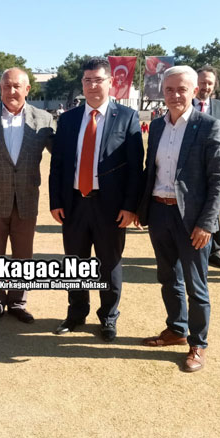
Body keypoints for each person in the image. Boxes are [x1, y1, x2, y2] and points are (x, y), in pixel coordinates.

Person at [138, 66, 220, 372]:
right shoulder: (158, 126)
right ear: (162, 92)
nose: (175, 95)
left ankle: (198, 343)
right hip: (159, 212)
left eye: (182, 89)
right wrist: (142, 208)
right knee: (168, 277)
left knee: (196, 284)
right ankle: (176, 329)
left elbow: (218, 180)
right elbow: (150, 169)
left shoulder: (209, 126)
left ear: (195, 91)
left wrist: (207, 223)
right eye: (169, 89)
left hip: (192, 219)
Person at [49, 57, 143, 342]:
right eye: (87, 80)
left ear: (110, 82)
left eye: (98, 80)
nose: (92, 86)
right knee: (75, 263)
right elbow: (58, 164)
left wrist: (130, 206)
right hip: (74, 203)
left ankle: (108, 317)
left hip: (110, 206)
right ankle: (76, 313)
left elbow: (135, 167)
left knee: (109, 265)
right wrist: (56, 201)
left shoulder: (127, 117)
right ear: (82, 84)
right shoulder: (68, 119)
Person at [0, 68, 54, 327]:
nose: (11, 91)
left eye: (17, 86)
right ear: (0, 89)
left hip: (27, 200)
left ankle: (17, 302)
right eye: (6, 86)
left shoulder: (44, 119)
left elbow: (62, 157)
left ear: (27, 89)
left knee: (23, 256)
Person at [194, 65, 220, 271]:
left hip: (212, 168)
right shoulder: (185, 103)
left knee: (213, 208)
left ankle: (214, 251)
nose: (205, 87)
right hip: (189, 169)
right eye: (202, 82)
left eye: (209, 83)